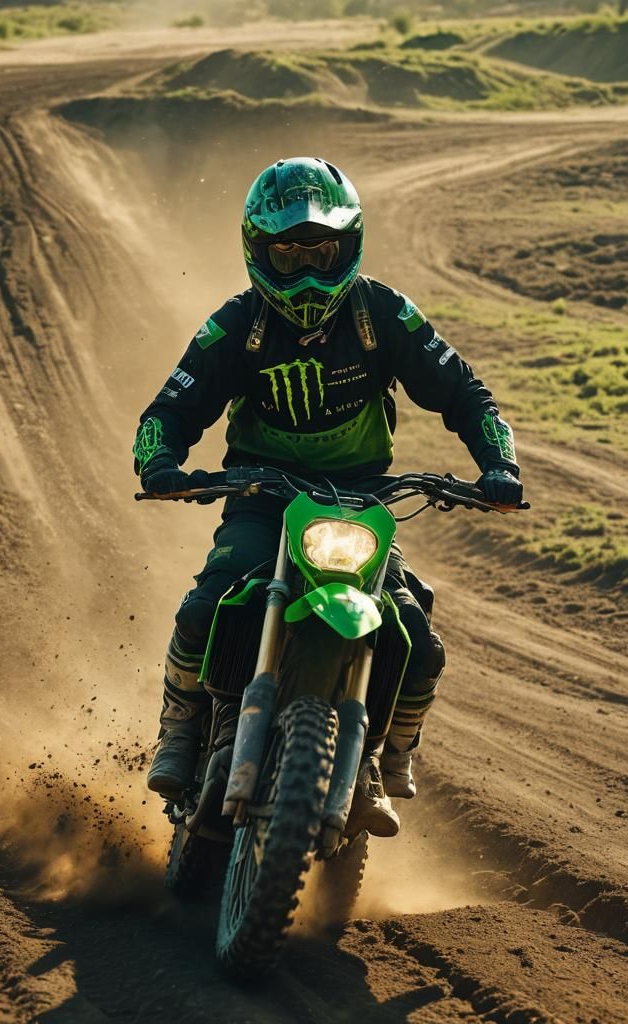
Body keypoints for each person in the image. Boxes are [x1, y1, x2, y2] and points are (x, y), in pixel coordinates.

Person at [134, 157, 522, 836]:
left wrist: (498, 465)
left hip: (361, 501)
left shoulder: (383, 313)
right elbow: (167, 409)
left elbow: (466, 392)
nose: (308, 270)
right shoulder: (236, 325)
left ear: (350, 243)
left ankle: (385, 754)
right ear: (257, 252)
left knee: (417, 639)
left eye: (323, 251)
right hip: (260, 492)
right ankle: (180, 727)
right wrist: (160, 460)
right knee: (205, 605)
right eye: (288, 253)